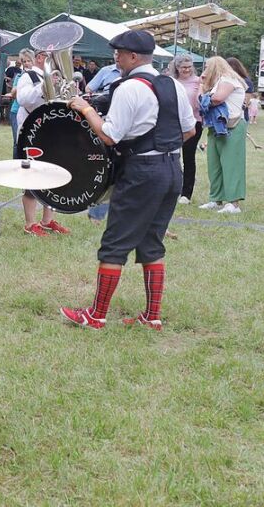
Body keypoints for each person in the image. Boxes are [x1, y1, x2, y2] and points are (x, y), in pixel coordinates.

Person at [61, 30, 195, 330]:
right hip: (173, 170)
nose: (116, 57)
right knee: (151, 242)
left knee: (114, 244)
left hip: (142, 173)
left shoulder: (129, 88)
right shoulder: (172, 84)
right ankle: (152, 316)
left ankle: (96, 315)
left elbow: (109, 135)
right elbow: (189, 131)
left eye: (119, 53)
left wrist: (86, 110)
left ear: (134, 57)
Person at [14, 49, 70, 236]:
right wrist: (45, 85)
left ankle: (47, 220)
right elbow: (22, 99)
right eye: (51, 56)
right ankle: (30, 223)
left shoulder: (58, 76)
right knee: (32, 176)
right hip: (31, 132)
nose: (55, 60)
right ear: (39, 58)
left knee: (52, 175)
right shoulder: (28, 76)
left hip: (53, 132)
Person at [199, 56, 247, 214]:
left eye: (207, 66)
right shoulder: (218, 82)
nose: (204, 70)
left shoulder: (228, 79)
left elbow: (218, 99)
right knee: (215, 166)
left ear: (214, 66)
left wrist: (206, 98)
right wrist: (203, 88)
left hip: (231, 127)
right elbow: (202, 100)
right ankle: (216, 199)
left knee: (231, 165)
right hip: (216, 127)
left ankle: (233, 204)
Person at [169, 55, 203, 204]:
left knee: (189, 158)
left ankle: (186, 194)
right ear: (177, 67)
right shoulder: (171, 81)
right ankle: (172, 189)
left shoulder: (198, 82)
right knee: (172, 157)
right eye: (184, 67)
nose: (187, 70)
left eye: (189, 67)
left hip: (194, 123)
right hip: (173, 123)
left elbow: (200, 103)